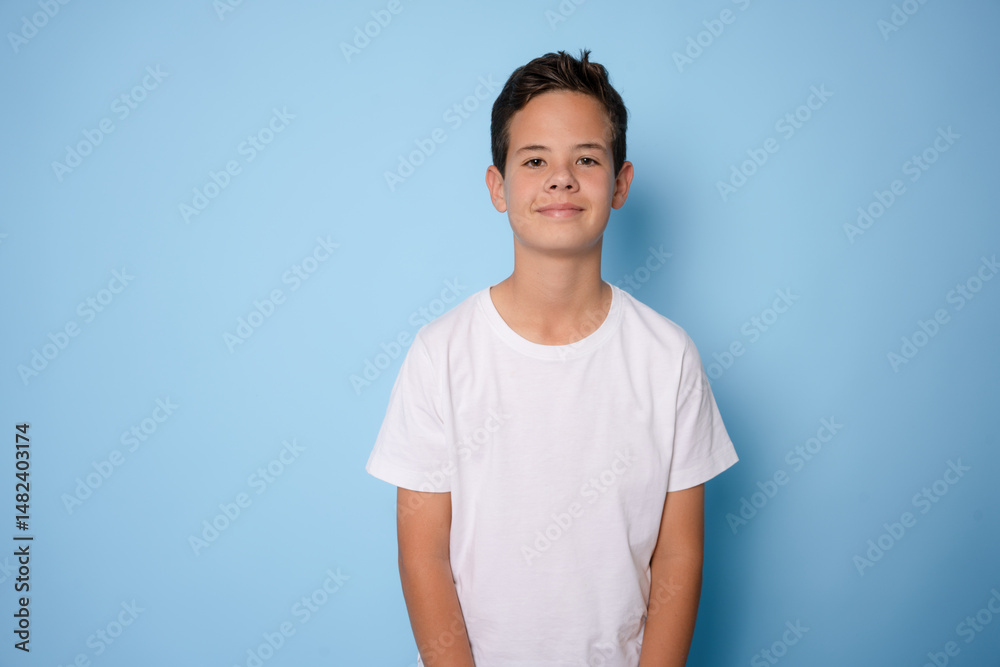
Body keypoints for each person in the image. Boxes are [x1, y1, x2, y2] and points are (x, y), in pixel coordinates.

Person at [366, 49, 738, 667]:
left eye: (586, 159)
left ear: (620, 184)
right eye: (534, 160)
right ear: (498, 186)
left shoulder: (668, 357)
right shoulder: (441, 354)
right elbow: (422, 555)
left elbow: (679, 554)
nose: (561, 179)